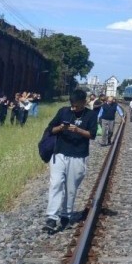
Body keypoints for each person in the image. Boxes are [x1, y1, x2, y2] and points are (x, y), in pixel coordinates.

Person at [44, 89, 98, 233]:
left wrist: (77, 130)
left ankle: (66, 215)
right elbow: (50, 130)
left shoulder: (91, 115)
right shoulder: (63, 111)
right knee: (55, 184)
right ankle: (51, 217)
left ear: (84, 102)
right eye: (72, 105)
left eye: (77, 106)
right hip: (59, 153)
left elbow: (92, 135)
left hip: (78, 155)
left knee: (71, 187)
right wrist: (61, 127)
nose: (74, 109)